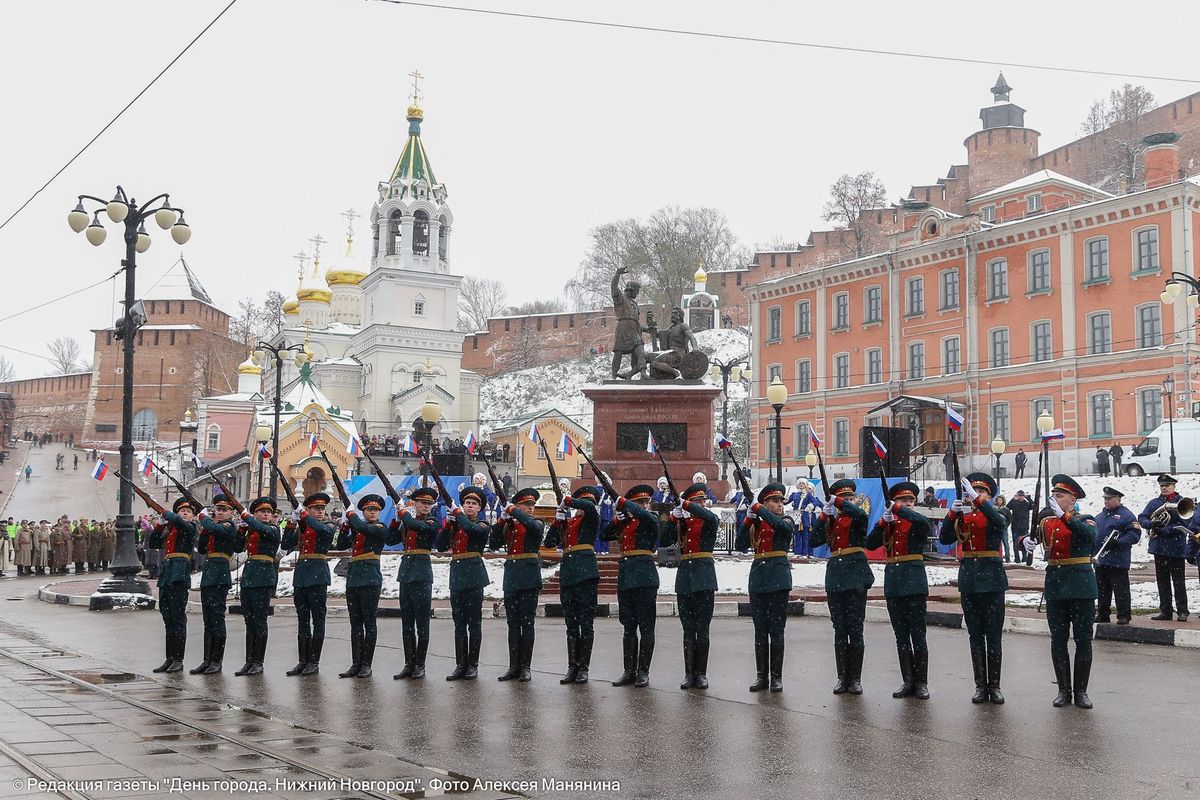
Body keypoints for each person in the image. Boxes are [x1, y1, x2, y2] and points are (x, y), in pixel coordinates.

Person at [942, 473, 1008, 704]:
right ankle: (981, 685)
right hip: (969, 578)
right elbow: (944, 538)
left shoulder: (996, 514)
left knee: (994, 635)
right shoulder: (964, 517)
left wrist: (980, 502)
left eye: (982, 492)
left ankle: (995, 686)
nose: (976, 496)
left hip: (992, 579)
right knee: (975, 635)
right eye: (974, 491)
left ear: (990, 496)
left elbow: (1000, 525)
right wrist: (952, 513)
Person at [865, 481, 931, 700]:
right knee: (901, 636)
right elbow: (872, 544)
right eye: (904, 500)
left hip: (914, 583)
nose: (908, 504)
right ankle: (908, 681)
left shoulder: (917, 521)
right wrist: (882, 522)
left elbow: (925, 524)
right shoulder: (889, 523)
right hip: (894, 583)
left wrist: (898, 509)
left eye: (911, 500)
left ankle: (922, 682)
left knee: (918, 635)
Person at [1038, 475, 1098, 709]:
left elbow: (1090, 537)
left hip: (1081, 586)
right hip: (1056, 585)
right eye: (1054, 495)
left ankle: (1081, 691)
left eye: (1060, 495)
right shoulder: (1048, 522)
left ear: (1072, 499)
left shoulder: (1086, 519)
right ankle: (1063, 690)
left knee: (1083, 639)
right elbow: (1038, 539)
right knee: (1058, 639)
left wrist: (1065, 516)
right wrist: (1026, 541)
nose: (1055, 498)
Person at [811, 479, 873, 694]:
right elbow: (813, 540)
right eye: (843, 497)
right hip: (836, 577)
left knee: (855, 629)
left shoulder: (857, 517)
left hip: (856, 575)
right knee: (839, 629)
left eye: (849, 498)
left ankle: (855, 678)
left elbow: (862, 516)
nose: (847, 501)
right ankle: (842, 677)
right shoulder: (832, 520)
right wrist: (824, 515)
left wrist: (837, 501)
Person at [736, 483, 796, 693]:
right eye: (775, 501)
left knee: (777, 630)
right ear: (765, 503)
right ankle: (762, 676)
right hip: (759, 580)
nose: (779, 505)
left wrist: (759, 510)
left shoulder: (786, 520)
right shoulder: (757, 524)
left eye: (781, 501)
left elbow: (783, 528)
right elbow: (739, 544)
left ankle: (776, 677)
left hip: (778, 579)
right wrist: (749, 519)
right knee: (760, 630)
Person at [601, 484, 660, 688]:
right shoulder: (626, 522)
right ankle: (629, 670)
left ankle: (643, 671)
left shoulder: (650, 519)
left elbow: (651, 519)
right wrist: (618, 518)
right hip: (626, 577)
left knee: (646, 626)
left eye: (646, 502)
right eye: (640, 502)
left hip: (644, 577)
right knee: (628, 627)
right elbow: (604, 535)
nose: (644, 505)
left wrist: (626, 504)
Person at [662, 482, 720, 690]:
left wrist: (687, 504)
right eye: (697, 501)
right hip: (685, 577)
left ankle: (701, 674)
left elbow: (712, 518)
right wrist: (674, 517)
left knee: (702, 629)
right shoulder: (682, 523)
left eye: (701, 500)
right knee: (688, 629)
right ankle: (689, 673)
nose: (701, 503)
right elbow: (664, 540)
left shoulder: (709, 521)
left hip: (704, 577)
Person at [542, 485, 601, 685]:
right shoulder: (569, 522)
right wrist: (557, 521)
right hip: (568, 575)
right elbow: (549, 543)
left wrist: (569, 500)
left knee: (586, 623)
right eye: (582, 503)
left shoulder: (591, 518)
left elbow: (590, 508)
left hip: (586, 574)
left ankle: (583, 668)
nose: (584, 506)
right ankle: (572, 667)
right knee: (571, 624)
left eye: (587, 503)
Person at [437, 486, 492, 681]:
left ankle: (472, 665)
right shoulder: (456, 525)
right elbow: (441, 545)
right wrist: (447, 525)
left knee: (474, 623)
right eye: (467, 503)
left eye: (473, 504)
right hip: (457, 577)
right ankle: (460, 664)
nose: (469, 506)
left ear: (479, 508)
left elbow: (471, 529)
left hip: (474, 576)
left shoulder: (483, 524)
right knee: (459, 623)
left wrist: (457, 513)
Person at [490, 486, 545, 682]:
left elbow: (536, 528)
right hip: (512, 577)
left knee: (527, 622)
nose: (530, 508)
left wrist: (513, 511)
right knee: (513, 623)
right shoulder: (510, 525)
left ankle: (525, 667)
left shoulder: (536, 522)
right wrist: (501, 520)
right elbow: (494, 543)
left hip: (529, 577)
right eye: (526, 505)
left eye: (532, 505)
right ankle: (514, 666)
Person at [281, 492, 335, 676]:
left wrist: (303, 516)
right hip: (302, 576)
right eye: (316, 509)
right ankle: (303, 660)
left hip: (318, 576)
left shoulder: (327, 525)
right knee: (302, 620)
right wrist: (292, 522)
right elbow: (286, 543)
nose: (320, 511)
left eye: (322, 509)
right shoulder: (304, 527)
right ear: (309, 510)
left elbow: (324, 531)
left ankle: (314, 661)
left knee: (318, 620)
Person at [388, 486, 440, 680]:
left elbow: (420, 528)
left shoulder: (433, 521)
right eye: (422, 503)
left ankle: (420, 664)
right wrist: (396, 520)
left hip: (422, 574)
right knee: (407, 622)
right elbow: (392, 540)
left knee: (422, 622)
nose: (425, 506)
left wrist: (403, 514)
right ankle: (409, 663)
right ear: (415, 504)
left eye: (428, 504)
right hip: (406, 574)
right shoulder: (407, 522)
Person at [336, 494, 388, 678]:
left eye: (375, 510)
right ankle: (356, 663)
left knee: (369, 623)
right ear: (364, 512)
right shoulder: (359, 529)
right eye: (368, 510)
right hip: (354, 578)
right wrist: (344, 529)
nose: (372, 512)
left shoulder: (380, 527)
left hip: (370, 579)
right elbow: (341, 544)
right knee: (355, 624)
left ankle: (367, 664)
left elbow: (362, 527)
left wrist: (351, 516)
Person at [148, 498, 199, 673]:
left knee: (178, 618)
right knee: (167, 616)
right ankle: (169, 658)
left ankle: (178, 659)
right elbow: (154, 543)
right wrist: (161, 525)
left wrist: (168, 514)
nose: (184, 513)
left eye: (188, 511)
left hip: (179, 572)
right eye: (181, 511)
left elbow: (181, 524)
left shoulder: (190, 528)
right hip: (167, 573)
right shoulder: (172, 529)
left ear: (193, 516)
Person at [192, 496, 241, 675]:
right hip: (209, 574)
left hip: (220, 574)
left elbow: (213, 527)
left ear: (230, 513)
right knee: (208, 619)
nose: (220, 513)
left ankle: (217, 661)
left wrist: (204, 519)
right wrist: (205, 529)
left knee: (217, 619)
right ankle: (207, 660)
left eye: (224, 510)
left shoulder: (229, 527)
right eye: (218, 510)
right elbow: (203, 548)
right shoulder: (213, 527)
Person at [235, 497, 280, 677]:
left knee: (260, 621)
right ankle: (249, 661)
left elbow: (263, 529)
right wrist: (241, 530)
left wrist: (247, 517)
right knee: (249, 621)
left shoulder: (273, 529)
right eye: (263, 512)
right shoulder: (252, 529)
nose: (266, 514)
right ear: (256, 513)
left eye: (269, 512)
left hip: (263, 577)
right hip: (249, 576)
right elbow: (238, 547)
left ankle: (258, 662)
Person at [1138, 474, 1191, 622]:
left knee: (1179, 581)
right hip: (1159, 548)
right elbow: (1142, 517)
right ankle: (1165, 610)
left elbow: (1186, 523)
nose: (1164, 488)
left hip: (1175, 548)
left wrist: (1166, 530)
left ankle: (1182, 611)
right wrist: (1150, 524)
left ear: (1174, 486)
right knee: (1162, 581)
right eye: (1162, 485)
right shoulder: (1154, 503)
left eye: (1167, 485)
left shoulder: (1181, 502)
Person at [1092, 486, 1141, 625]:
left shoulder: (1127, 515)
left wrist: (1118, 542)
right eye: (1105, 499)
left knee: (1121, 590)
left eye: (1109, 499)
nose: (1106, 501)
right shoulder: (1100, 516)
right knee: (1102, 590)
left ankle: (1124, 615)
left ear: (1118, 499)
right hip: (1101, 560)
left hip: (1117, 560)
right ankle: (1103, 614)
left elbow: (1134, 535)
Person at [788, 478, 821, 556]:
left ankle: (805, 552)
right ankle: (797, 552)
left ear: (806, 485)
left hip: (805, 517)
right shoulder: (794, 494)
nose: (801, 485)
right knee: (797, 535)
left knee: (805, 536)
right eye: (800, 483)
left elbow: (816, 501)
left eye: (803, 483)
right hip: (796, 516)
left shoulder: (808, 494)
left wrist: (811, 506)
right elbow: (786, 501)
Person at [1007, 491, 1033, 564]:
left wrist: (1029, 498)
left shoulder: (1026, 504)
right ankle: (1017, 558)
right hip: (1015, 526)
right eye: (1019, 496)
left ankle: (1024, 558)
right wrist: (1013, 499)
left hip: (1024, 526)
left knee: (1024, 542)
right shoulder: (1014, 503)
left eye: (1022, 496)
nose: (1020, 497)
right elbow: (1007, 507)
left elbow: (1034, 506)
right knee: (1015, 543)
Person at [994, 494, 1013, 562]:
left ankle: (1007, 557)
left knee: (1005, 543)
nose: (999, 501)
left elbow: (1010, 519)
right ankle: (998, 556)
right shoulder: (993, 509)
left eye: (1000, 500)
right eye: (998, 500)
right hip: (995, 529)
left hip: (1004, 529)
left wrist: (1006, 526)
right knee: (997, 543)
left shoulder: (1006, 509)